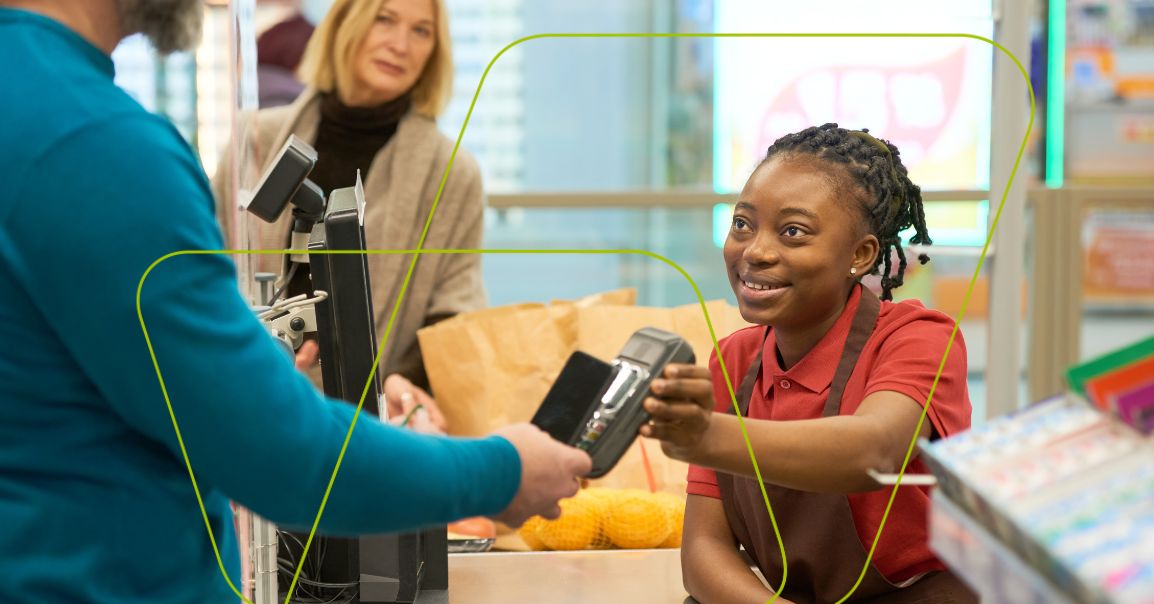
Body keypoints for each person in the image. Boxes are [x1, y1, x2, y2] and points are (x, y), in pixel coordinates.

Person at [0, 2, 590, 603]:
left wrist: (231, 368)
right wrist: (502, 471)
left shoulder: (40, 110)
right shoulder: (101, 148)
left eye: (420, 31)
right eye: (385, 20)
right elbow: (280, 453)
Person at [642, 124, 977, 603]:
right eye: (742, 223)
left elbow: (871, 453)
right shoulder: (734, 361)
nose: (755, 251)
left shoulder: (919, 339)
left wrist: (707, 436)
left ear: (859, 256)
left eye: (793, 232)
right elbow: (705, 550)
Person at [215, 0, 476, 432]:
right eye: (385, 19)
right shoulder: (254, 140)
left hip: (374, 428)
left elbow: (454, 311)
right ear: (344, 25)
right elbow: (210, 270)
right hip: (250, 407)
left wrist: (402, 381)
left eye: (421, 31)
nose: (400, 45)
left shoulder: (452, 173)